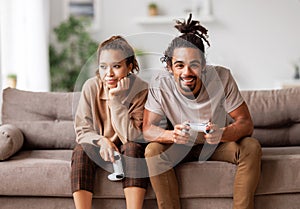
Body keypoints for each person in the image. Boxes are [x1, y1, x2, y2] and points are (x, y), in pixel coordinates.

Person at [143, 14, 262, 209]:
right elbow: (148, 129)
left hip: (215, 144)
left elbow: (246, 123)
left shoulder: (222, 77)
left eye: (194, 65)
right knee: (152, 150)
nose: (186, 72)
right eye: (179, 65)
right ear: (169, 67)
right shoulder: (159, 83)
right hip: (180, 145)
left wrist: (222, 134)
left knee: (251, 147)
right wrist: (172, 135)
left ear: (204, 66)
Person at [71, 35, 148, 209]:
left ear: (129, 67)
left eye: (117, 66)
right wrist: (102, 140)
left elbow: (133, 136)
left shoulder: (141, 89)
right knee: (82, 149)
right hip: (101, 149)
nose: (109, 73)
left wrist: (115, 101)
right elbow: (82, 130)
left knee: (132, 148)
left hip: (128, 148)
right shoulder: (91, 87)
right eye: (103, 67)